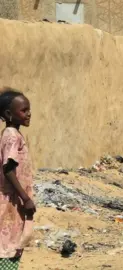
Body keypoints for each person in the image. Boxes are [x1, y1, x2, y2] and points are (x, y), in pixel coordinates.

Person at [0, 88, 35, 270]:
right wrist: (26, 198)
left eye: (29, 109)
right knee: (9, 246)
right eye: (23, 110)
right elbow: (8, 169)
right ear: (8, 114)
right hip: (11, 201)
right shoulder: (12, 136)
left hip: (14, 200)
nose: (29, 114)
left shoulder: (13, 134)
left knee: (11, 243)